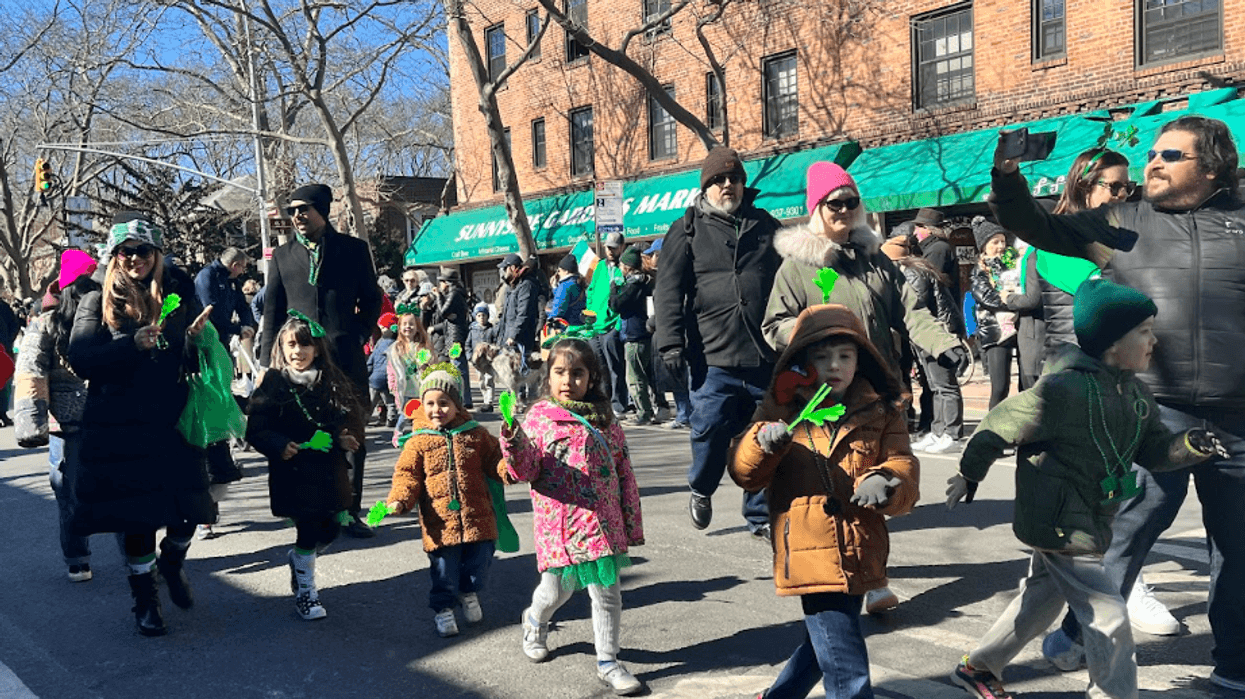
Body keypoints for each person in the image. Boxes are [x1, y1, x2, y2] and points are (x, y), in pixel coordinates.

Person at [989, 115, 1245, 693]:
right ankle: (1082, 638)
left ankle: (1234, 666)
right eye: (1151, 153)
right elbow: (1029, 222)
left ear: (1208, 168)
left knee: (1238, 545)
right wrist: (1007, 173)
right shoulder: (1121, 222)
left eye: (1169, 155)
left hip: (1237, 415)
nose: (1152, 163)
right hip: (1150, 411)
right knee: (1125, 532)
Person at [945, 278, 1224, 699]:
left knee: (1039, 602)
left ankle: (978, 668)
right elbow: (998, 425)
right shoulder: (1063, 390)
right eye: (1144, 332)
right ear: (1113, 344)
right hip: (1060, 521)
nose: (1154, 341)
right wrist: (970, 473)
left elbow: (1152, 451)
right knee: (1109, 614)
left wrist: (1188, 447)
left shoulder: (1135, 393)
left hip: (1092, 517)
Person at [731, 304, 919, 699]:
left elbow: (903, 465)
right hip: (807, 548)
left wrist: (885, 480)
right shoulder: (782, 403)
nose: (834, 365)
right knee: (846, 665)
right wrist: (763, 444)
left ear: (861, 358)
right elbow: (745, 473)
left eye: (845, 355)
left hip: (860, 546)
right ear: (803, 359)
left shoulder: (883, 408)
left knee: (826, 646)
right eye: (822, 355)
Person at [67, 212, 217, 636]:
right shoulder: (98, 299)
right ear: (114, 255)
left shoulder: (174, 294)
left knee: (191, 510)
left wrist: (196, 339)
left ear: (157, 253)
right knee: (138, 520)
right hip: (121, 426)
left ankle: (173, 561)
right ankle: (145, 602)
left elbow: (186, 358)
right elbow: (80, 358)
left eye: (143, 251)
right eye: (126, 251)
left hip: (173, 420)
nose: (135, 259)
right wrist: (130, 346)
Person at [763, 162, 965, 459]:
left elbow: (911, 310)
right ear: (818, 207)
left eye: (851, 201)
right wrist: (817, 333)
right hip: (827, 395)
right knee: (842, 480)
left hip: (880, 389)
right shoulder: (797, 266)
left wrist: (943, 343)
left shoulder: (876, 260)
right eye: (835, 203)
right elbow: (774, 325)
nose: (844, 209)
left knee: (887, 473)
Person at [500, 338, 644, 695]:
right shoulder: (538, 419)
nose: (568, 381)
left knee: (608, 595)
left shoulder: (607, 420)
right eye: (559, 372)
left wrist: (629, 520)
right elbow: (525, 470)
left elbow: (623, 470)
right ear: (547, 377)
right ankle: (535, 620)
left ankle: (608, 661)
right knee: (555, 592)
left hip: (603, 524)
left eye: (577, 373)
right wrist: (512, 441)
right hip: (561, 527)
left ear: (591, 377)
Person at [654, 146, 782, 539]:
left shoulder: (766, 225)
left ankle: (759, 516)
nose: (728, 185)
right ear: (706, 186)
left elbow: (791, 278)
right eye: (718, 180)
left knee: (763, 437)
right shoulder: (686, 228)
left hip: (763, 354)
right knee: (708, 432)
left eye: (735, 178)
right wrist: (670, 344)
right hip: (713, 355)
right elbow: (668, 290)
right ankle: (701, 487)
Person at [260, 184, 382, 539]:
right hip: (298, 362)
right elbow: (271, 313)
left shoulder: (353, 250)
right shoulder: (282, 257)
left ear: (322, 211)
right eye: (292, 210)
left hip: (345, 359)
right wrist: (270, 362)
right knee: (302, 432)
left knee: (351, 433)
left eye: (304, 209)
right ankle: (307, 506)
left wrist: (357, 333)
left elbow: (372, 299)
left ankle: (349, 511)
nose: (296, 216)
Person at [246, 313, 363, 620]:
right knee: (309, 530)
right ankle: (307, 593)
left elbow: (347, 417)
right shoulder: (273, 383)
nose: (298, 352)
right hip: (294, 473)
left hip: (330, 471)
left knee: (332, 529)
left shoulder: (331, 380)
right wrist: (278, 444)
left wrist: (345, 437)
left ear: (317, 348)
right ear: (282, 348)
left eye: (305, 345)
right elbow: (257, 427)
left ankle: (299, 560)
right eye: (291, 345)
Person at [384, 363, 509, 637]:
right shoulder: (418, 441)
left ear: (457, 405)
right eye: (430, 403)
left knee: (480, 564)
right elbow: (406, 475)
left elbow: (495, 462)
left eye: (444, 402)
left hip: (479, 517)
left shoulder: (476, 435)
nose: (436, 409)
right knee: (444, 572)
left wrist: (509, 468)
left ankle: (469, 592)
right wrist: (400, 500)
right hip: (440, 523)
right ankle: (443, 609)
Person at [13, 250, 101, 581]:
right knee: (68, 489)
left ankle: (133, 555)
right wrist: (31, 423)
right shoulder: (46, 324)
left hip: (103, 415)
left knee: (114, 485)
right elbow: (31, 372)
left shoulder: (105, 318)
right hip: (65, 423)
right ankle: (77, 555)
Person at [1037, 148, 1134, 359]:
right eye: (1114, 187)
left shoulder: (1115, 237)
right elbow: (1105, 290)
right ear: (1084, 187)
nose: (1123, 195)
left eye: (1128, 187)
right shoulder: (1056, 237)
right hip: (1074, 368)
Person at [882, 232, 965, 452]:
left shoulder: (911, 274)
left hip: (938, 334)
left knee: (945, 385)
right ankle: (938, 432)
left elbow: (917, 308)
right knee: (934, 386)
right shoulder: (913, 271)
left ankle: (952, 435)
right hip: (930, 336)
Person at [193, 247, 254, 538]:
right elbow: (210, 311)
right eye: (241, 267)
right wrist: (231, 330)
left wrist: (247, 325)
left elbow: (241, 305)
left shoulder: (230, 281)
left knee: (219, 409)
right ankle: (202, 512)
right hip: (205, 344)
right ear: (234, 264)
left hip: (219, 348)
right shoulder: (206, 277)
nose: (243, 273)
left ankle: (209, 508)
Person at [970, 219, 1023, 409]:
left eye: (1003, 241)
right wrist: (1015, 301)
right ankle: (992, 431)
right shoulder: (979, 271)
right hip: (995, 333)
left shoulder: (1013, 264)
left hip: (1019, 328)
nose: (1001, 246)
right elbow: (987, 298)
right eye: (995, 242)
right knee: (1000, 387)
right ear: (984, 246)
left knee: (1025, 385)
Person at [641, 238, 686, 428]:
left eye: (653, 255)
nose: (650, 258)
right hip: (666, 332)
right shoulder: (665, 276)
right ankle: (684, 414)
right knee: (675, 377)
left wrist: (653, 322)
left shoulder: (672, 277)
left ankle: (684, 415)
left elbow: (670, 307)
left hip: (674, 334)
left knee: (679, 376)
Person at [609, 245, 656, 426]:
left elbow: (615, 304)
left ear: (628, 267)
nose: (620, 269)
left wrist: (614, 287)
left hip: (635, 335)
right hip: (641, 333)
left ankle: (644, 412)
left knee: (635, 377)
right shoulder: (644, 282)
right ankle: (648, 409)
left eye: (622, 266)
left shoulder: (634, 285)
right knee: (642, 375)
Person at [585, 233, 631, 416]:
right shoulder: (600, 267)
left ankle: (619, 404)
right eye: (608, 247)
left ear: (621, 247)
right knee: (599, 369)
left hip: (612, 326)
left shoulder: (624, 268)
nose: (611, 250)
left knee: (615, 368)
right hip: (595, 326)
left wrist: (618, 325)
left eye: (614, 247)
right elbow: (591, 291)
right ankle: (604, 403)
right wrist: (589, 318)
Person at [489, 253, 541, 376]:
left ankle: (523, 395)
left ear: (512, 268)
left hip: (519, 340)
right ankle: (515, 395)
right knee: (510, 376)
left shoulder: (526, 285)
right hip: (508, 341)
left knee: (521, 377)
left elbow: (523, 314)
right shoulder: (510, 286)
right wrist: (498, 335)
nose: (503, 272)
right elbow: (506, 316)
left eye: (505, 268)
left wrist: (513, 336)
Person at [388, 311, 435, 441]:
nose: (408, 327)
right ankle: (398, 433)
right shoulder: (396, 348)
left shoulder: (421, 346)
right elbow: (392, 369)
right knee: (405, 414)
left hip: (421, 387)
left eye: (411, 324)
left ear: (417, 327)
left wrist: (427, 364)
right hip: (406, 388)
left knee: (424, 412)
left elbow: (429, 364)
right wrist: (392, 384)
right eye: (404, 324)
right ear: (399, 327)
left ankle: (421, 433)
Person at [432, 268, 472, 409]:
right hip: (454, 334)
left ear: (447, 283)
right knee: (459, 366)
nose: (440, 286)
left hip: (455, 336)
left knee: (458, 366)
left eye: (442, 282)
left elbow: (443, 312)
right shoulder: (457, 294)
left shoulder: (454, 294)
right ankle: (465, 398)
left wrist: (438, 296)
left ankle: (463, 399)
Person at [911, 207, 962, 315]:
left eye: (918, 227)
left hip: (942, 314)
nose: (915, 232)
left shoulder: (937, 250)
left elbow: (930, 283)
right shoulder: (937, 247)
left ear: (928, 229)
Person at [367, 312, 397, 427]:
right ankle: (391, 419)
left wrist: (367, 373)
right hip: (388, 377)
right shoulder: (396, 343)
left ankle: (364, 420)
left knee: (371, 402)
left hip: (375, 378)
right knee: (390, 402)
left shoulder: (379, 343)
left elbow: (371, 360)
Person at [464, 302, 495, 412]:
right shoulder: (472, 331)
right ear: (475, 317)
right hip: (477, 362)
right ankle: (485, 399)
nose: (482, 318)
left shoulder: (491, 330)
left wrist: (492, 354)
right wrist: (470, 357)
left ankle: (489, 402)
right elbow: (467, 345)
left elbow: (495, 344)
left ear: (487, 316)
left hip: (488, 361)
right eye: (479, 315)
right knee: (481, 381)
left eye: (484, 315)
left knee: (489, 380)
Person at [548, 253, 586, 327]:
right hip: (578, 324)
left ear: (566, 271)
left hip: (566, 327)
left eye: (558, 270)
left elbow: (559, 308)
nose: (558, 273)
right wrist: (555, 288)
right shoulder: (578, 283)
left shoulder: (564, 286)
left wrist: (550, 320)